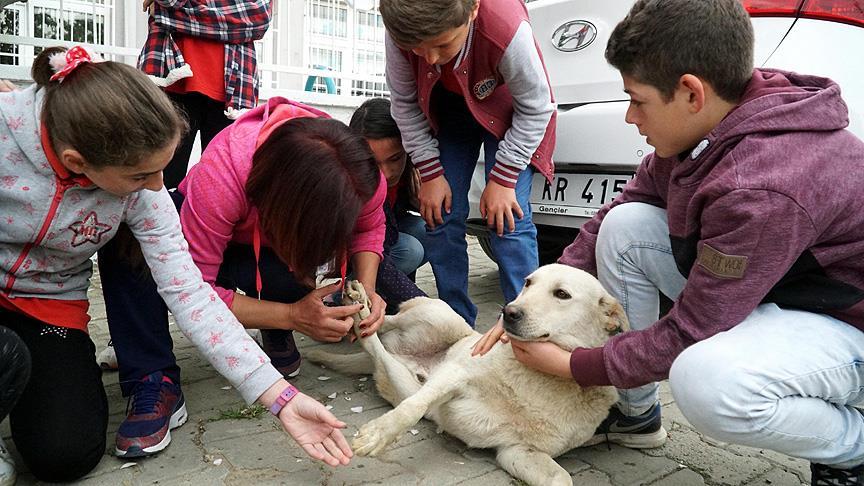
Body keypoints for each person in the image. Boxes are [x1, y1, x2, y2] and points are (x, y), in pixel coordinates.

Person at [474, 0, 864, 483]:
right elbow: (617, 211)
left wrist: (577, 366)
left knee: (709, 383)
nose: (629, 117)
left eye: (636, 100)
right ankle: (635, 415)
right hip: (780, 290)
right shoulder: (709, 127)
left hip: (844, 323)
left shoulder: (760, 186)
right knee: (625, 228)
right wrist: (537, 293)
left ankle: (853, 447)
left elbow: (691, 330)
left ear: (691, 93)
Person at [0, 46, 352, 482]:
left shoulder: (146, 197)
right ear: (77, 162)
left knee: (65, 455)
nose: (157, 189)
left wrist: (278, 396)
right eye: (139, 177)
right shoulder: (6, 136)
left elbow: (191, 294)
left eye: (161, 171)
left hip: (46, 302)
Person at [380, 0, 556, 326]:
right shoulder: (399, 28)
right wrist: (430, 173)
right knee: (440, 216)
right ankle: (457, 327)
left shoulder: (506, 27)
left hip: (510, 115)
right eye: (417, 49)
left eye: (442, 44)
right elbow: (404, 104)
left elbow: (537, 108)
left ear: (473, 9)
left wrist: (503, 179)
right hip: (450, 110)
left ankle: (529, 327)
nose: (430, 59)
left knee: (509, 221)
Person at [349, 97, 427, 278]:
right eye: (373, 163)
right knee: (409, 250)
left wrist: (422, 203)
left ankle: (391, 297)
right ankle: (343, 295)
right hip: (353, 247)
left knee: (426, 229)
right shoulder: (357, 179)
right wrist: (420, 300)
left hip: (386, 237)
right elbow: (378, 242)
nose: (386, 173)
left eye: (395, 159)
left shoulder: (417, 168)